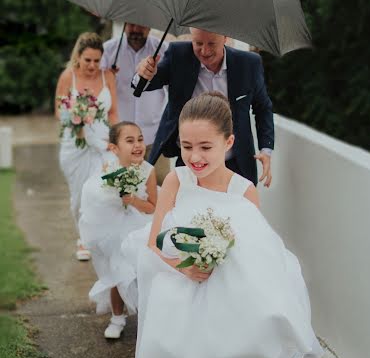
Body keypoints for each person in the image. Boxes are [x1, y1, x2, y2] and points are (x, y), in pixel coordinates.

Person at [119, 92, 322, 358]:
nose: (195, 157)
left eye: (205, 147)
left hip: (225, 314)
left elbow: (257, 256)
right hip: (179, 306)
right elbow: (154, 242)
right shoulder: (176, 182)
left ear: (228, 142)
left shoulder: (243, 192)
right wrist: (186, 266)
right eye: (186, 146)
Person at [135, 27, 274, 187]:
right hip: (191, 161)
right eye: (198, 43)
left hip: (235, 162)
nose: (204, 51)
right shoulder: (178, 54)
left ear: (225, 37)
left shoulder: (249, 63)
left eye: (211, 44)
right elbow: (148, 83)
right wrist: (143, 74)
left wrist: (266, 150)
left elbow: (263, 108)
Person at [79, 121, 157, 339]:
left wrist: (131, 200)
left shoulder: (148, 171)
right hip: (113, 226)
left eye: (140, 139)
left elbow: (153, 206)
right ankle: (117, 318)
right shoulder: (109, 169)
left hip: (140, 224)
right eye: (130, 141)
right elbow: (96, 193)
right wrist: (113, 198)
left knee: (143, 272)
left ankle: (150, 317)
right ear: (114, 148)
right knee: (117, 271)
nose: (137, 145)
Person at [55, 32, 118, 261]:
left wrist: (116, 139)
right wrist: (77, 117)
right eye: (88, 60)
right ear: (78, 57)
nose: (92, 65)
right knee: (79, 195)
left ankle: (98, 235)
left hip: (102, 142)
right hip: (75, 144)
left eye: (97, 60)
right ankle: (82, 237)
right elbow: (58, 111)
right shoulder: (67, 77)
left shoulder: (108, 76)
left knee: (102, 191)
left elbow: (113, 112)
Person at [101, 22, 170, 184]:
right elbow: (97, 90)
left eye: (141, 25)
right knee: (122, 189)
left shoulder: (163, 49)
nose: (136, 30)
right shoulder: (109, 50)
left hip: (154, 136)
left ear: (149, 26)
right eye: (131, 25)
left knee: (162, 185)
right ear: (124, 25)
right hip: (121, 138)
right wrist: (108, 78)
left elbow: (172, 88)